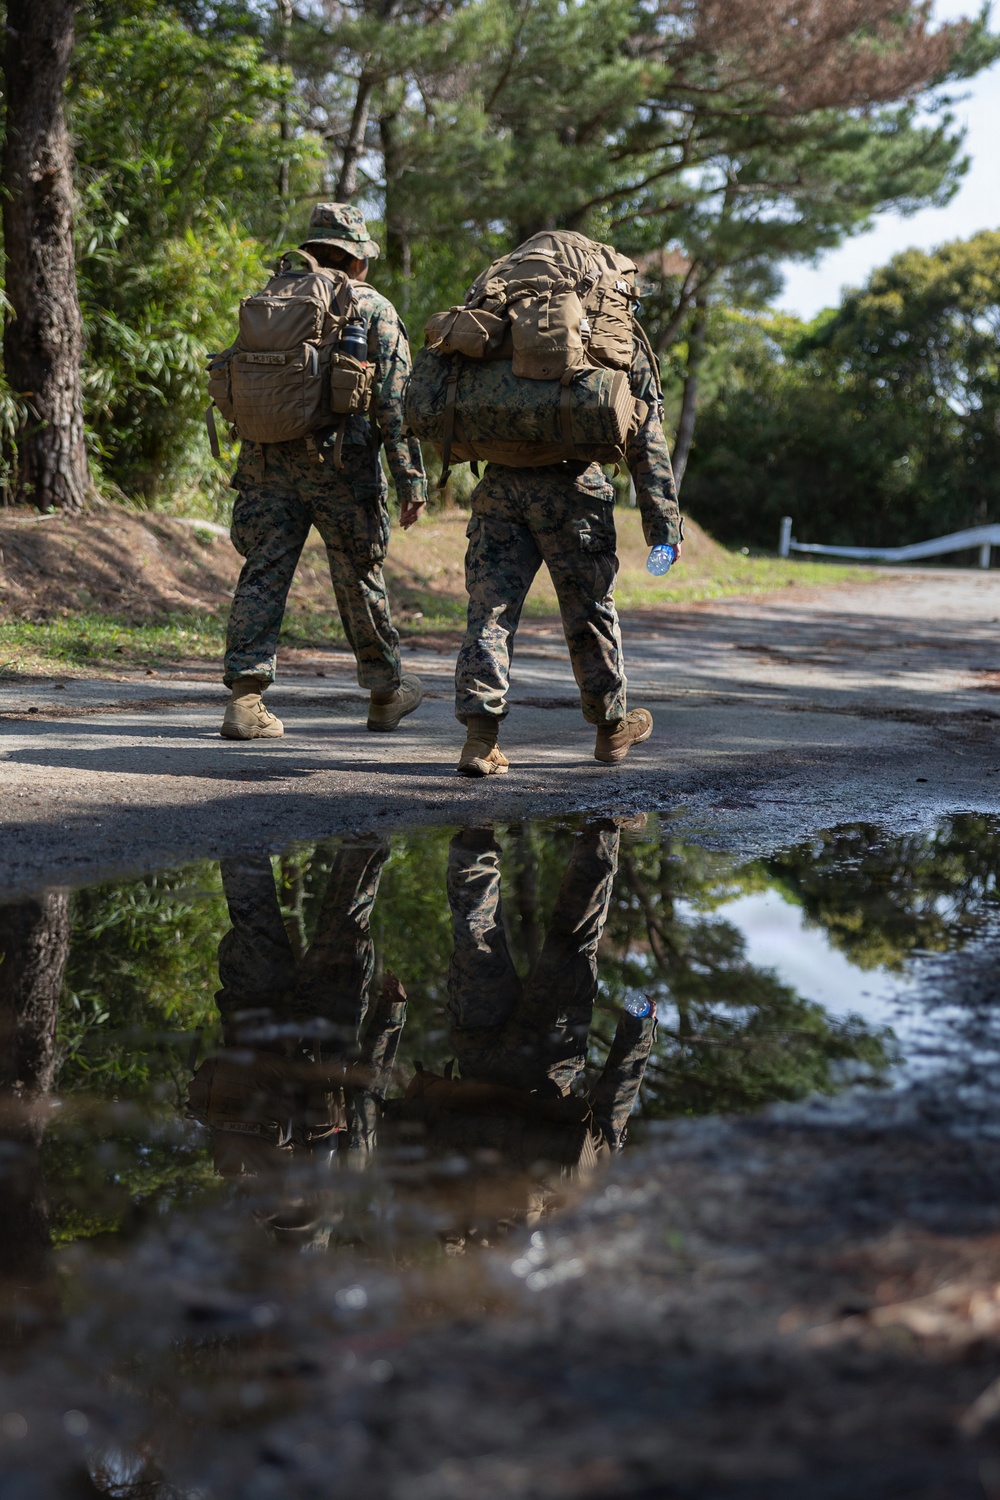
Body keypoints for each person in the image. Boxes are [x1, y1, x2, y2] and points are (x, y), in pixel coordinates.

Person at [221, 203, 428, 741]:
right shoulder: (373, 308)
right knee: (358, 575)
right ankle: (385, 693)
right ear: (357, 260)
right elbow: (394, 405)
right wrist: (411, 481)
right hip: (343, 463)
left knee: (264, 571)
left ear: (311, 249)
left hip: (267, 457)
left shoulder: (272, 297)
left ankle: (245, 700)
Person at [454, 329, 682, 776]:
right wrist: (663, 525)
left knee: (490, 612)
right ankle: (611, 728)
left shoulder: (506, 317)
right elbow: (646, 433)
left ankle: (480, 740)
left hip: (500, 484)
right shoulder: (609, 329)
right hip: (575, 488)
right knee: (589, 612)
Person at [398, 820, 657, 1210]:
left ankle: (601, 827)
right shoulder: (458, 1218)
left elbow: (610, 1114)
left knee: (574, 939)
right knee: (476, 941)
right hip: (477, 1054)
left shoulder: (571, 1207)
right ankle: (475, 839)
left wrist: (640, 1026)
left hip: (547, 1057)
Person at [189, 839, 407, 1186]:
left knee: (346, 919)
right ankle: (239, 829)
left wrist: (392, 1014)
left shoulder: (346, 1169)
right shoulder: (245, 1166)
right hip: (255, 1024)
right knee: (253, 922)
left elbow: (369, 1086)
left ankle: (369, 825)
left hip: (322, 1027)